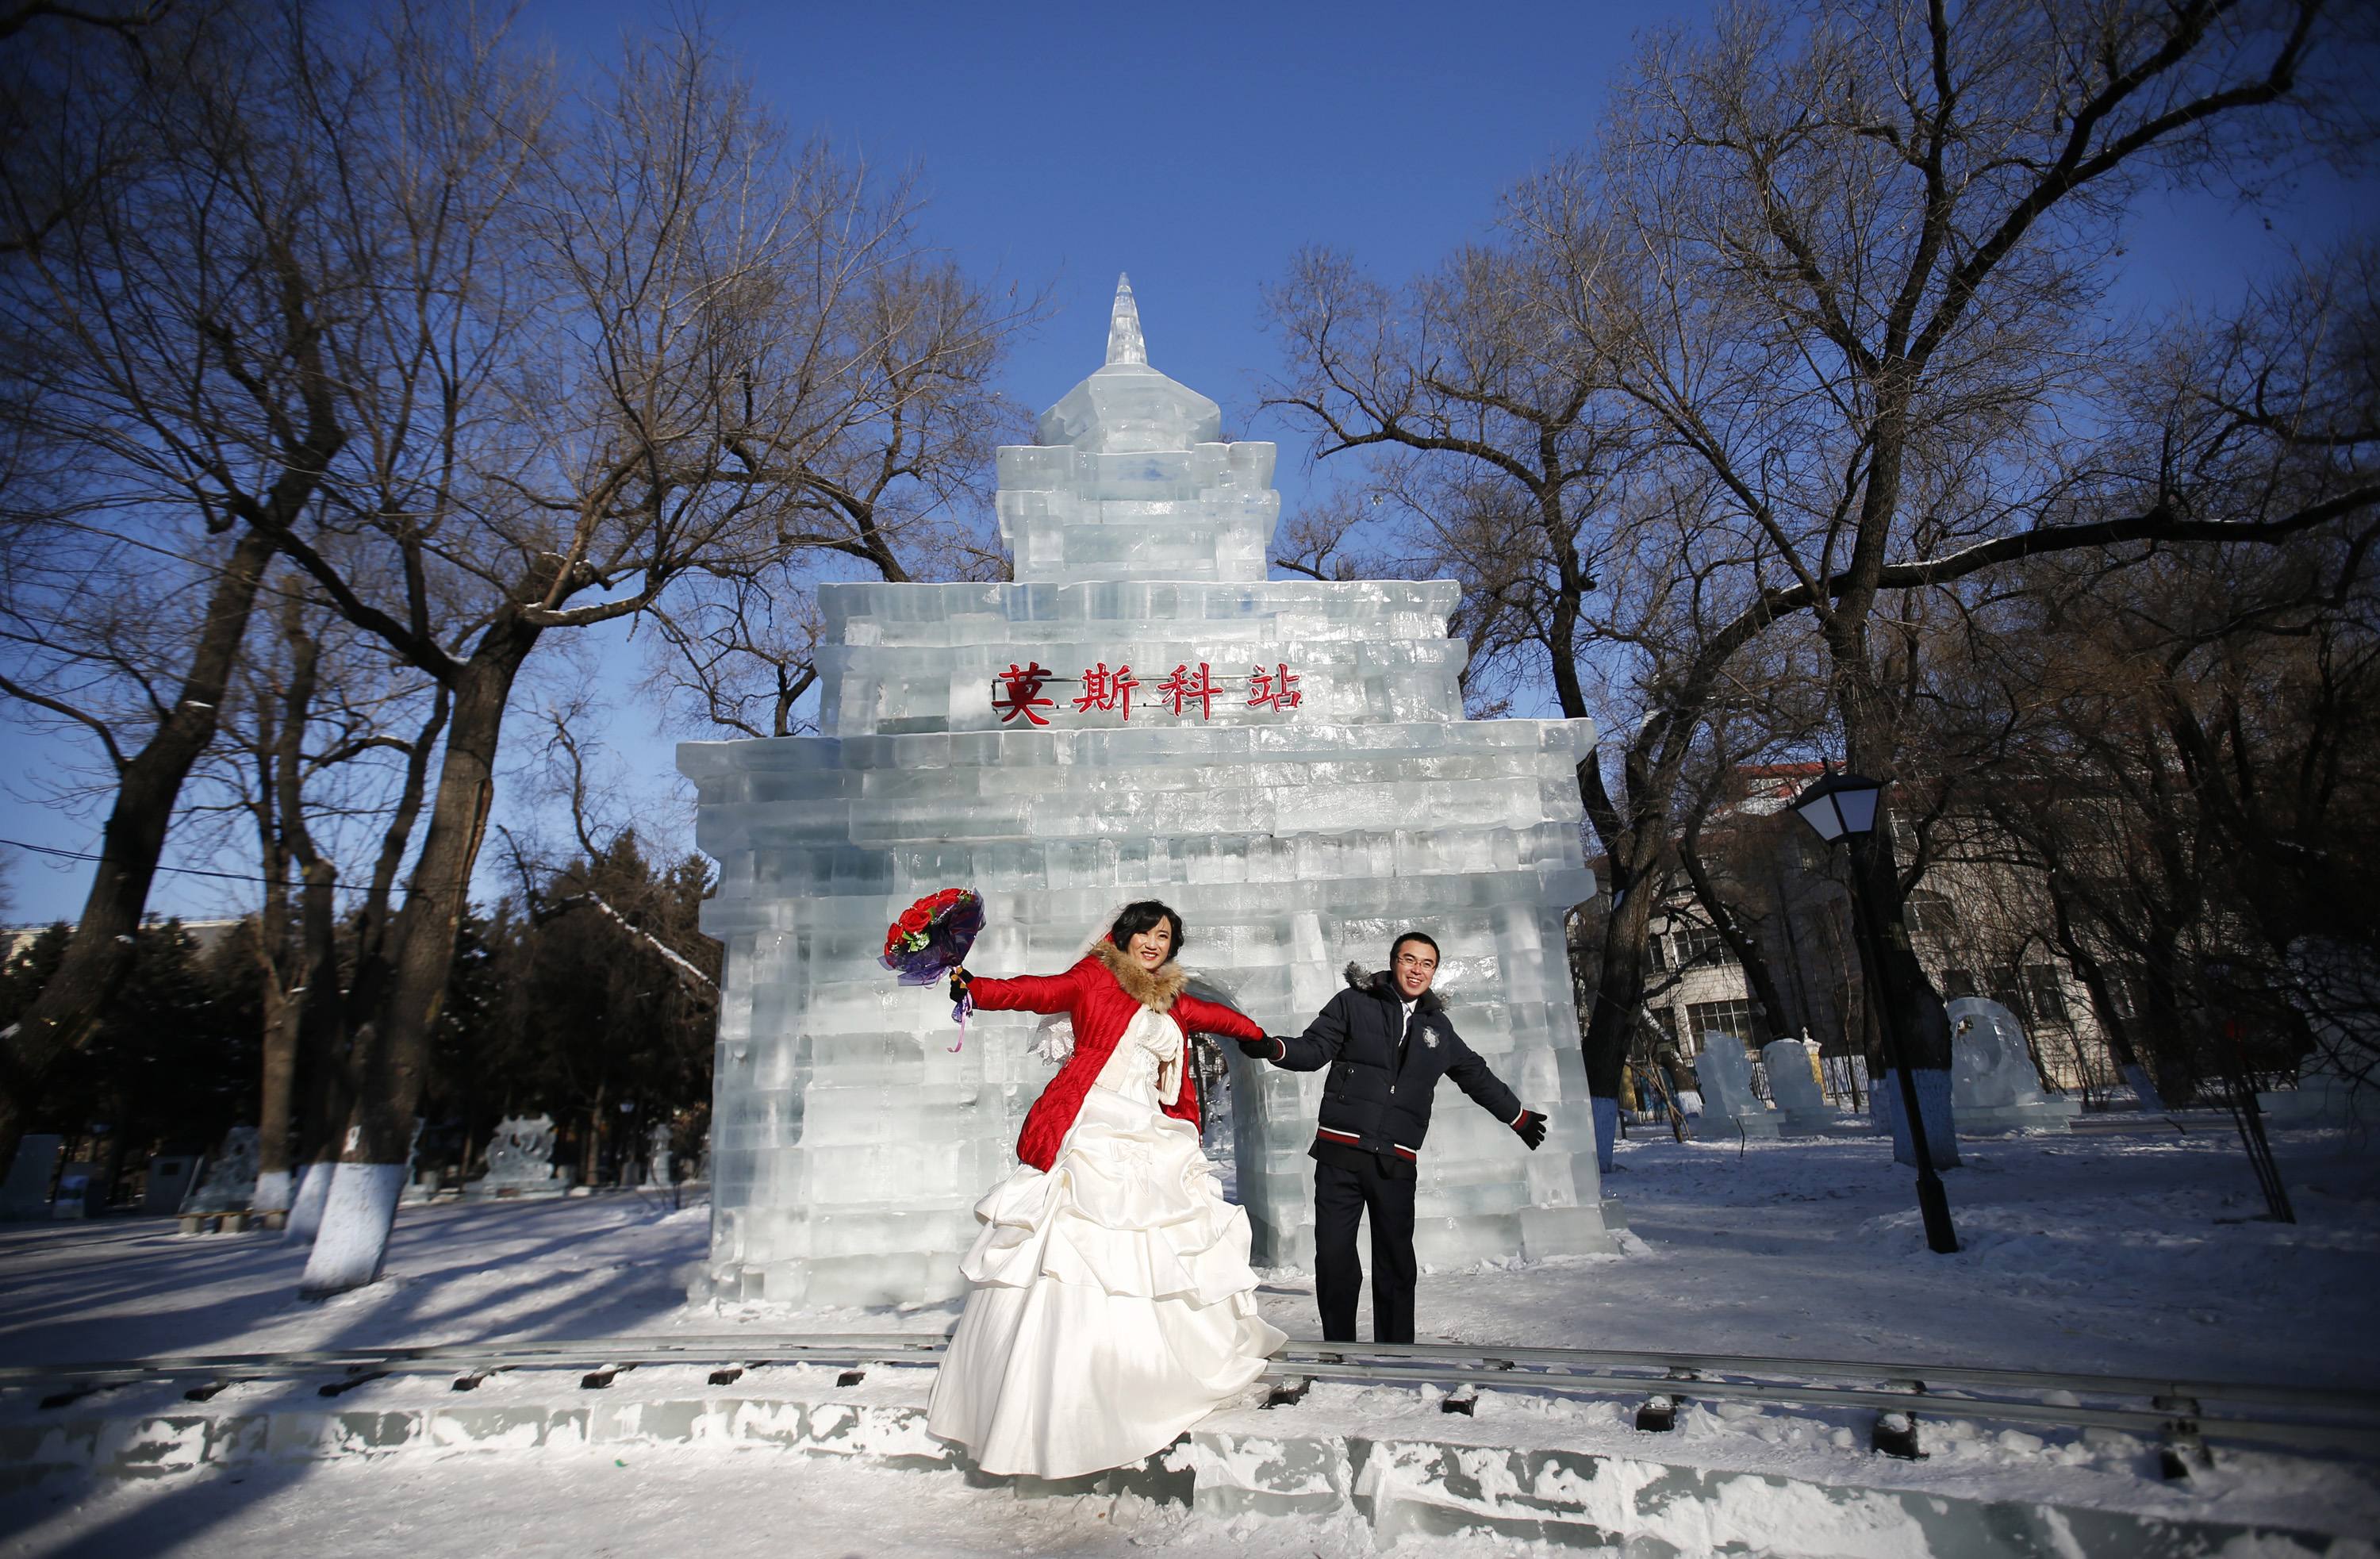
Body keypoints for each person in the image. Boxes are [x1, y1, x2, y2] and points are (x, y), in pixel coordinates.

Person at [925, 900, 1288, 1479]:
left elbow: (1217, 1018)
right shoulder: (1094, 976)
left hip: (1150, 1127)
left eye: (1164, 935)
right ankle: (1066, 1388)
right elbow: (1037, 992)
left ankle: (1156, 1365)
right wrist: (975, 987)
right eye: (1144, 932)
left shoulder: (1170, 998)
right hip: (1092, 1122)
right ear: (1124, 936)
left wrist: (1265, 1041)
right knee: (1077, 1239)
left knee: (1157, 1240)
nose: (1153, 942)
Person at [1238, 931, 1547, 1345]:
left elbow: (1475, 1074)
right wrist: (1272, 1047)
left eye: (1427, 964)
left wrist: (1518, 1115)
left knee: (1396, 1261)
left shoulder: (1438, 1027)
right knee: (1333, 1255)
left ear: (1434, 971)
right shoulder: (1353, 1003)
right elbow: (1314, 1050)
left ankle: (1396, 1349)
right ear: (1393, 961)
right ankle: (1339, 1347)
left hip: (1395, 1161)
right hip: (1340, 1154)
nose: (1417, 970)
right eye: (1409, 959)